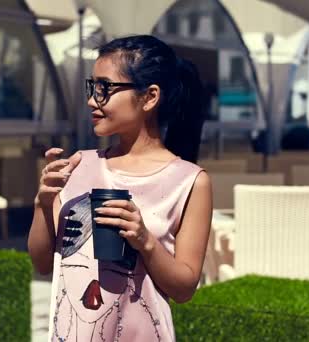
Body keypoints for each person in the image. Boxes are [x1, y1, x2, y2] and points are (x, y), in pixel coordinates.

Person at [27, 35, 212, 341]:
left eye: (105, 89)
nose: (91, 100)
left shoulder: (190, 181)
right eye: (92, 87)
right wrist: (43, 204)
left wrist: (145, 241)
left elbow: (184, 288)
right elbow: (42, 262)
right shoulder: (77, 166)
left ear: (150, 97)